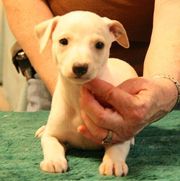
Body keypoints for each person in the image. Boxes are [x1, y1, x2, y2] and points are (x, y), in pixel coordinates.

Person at [2, 0, 180, 144]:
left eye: (98, 44)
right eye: (64, 41)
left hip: (152, 76)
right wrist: (64, 97)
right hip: (52, 71)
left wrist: (164, 83)